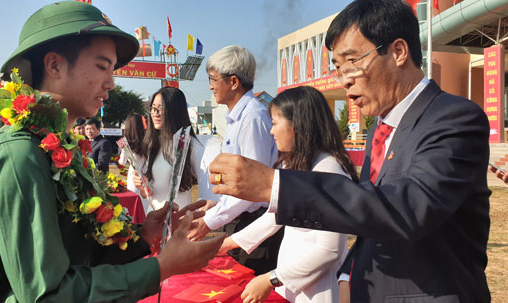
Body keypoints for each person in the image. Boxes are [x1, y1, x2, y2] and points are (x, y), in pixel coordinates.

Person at [208, 0, 491, 301]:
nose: (344, 80)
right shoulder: (380, 131)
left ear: (397, 52)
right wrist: (348, 273)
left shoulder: (454, 118)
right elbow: (369, 214)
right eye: (337, 69)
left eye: (352, 63)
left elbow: (408, 208)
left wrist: (273, 185)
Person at [0, 2, 223, 302]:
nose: (111, 82)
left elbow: (75, 253)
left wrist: (143, 237)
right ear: (54, 66)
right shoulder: (19, 156)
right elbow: (48, 294)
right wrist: (161, 267)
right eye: (102, 66)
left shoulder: (55, 147)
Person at [219, 86, 357, 303]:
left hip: (317, 289)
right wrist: (226, 244)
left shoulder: (328, 170)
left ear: (298, 126)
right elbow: (275, 216)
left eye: (274, 123)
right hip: (291, 281)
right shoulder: (297, 164)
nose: (271, 132)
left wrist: (271, 279)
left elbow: (329, 249)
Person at [187, 45, 279, 275]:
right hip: (241, 219)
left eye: (213, 79)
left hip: (255, 224)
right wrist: (217, 205)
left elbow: (251, 187)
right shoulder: (236, 117)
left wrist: (210, 222)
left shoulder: (252, 118)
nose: (210, 86)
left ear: (234, 82)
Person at [135, 86, 199, 210]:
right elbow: (151, 192)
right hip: (153, 219)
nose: (155, 113)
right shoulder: (153, 145)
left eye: (161, 108)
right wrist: (145, 188)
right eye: (153, 108)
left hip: (177, 221)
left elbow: (210, 192)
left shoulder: (191, 146)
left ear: (175, 110)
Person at [118, 113, 150, 212]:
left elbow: (122, 162)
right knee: (146, 204)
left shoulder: (124, 142)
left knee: (134, 204)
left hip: (133, 176)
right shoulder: (148, 140)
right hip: (147, 175)